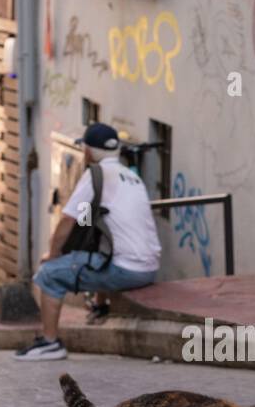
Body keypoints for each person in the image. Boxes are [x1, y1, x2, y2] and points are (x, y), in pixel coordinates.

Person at [16, 123, 161, 361]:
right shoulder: (132, 177)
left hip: (126, 270)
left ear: (88, 152)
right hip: (149, 268)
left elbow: (67, 222)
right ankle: (99, 306)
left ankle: (50, 343)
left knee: (49, 274)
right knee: (93, 254)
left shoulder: (95, 175)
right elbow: (87, 223)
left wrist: (53, 255)